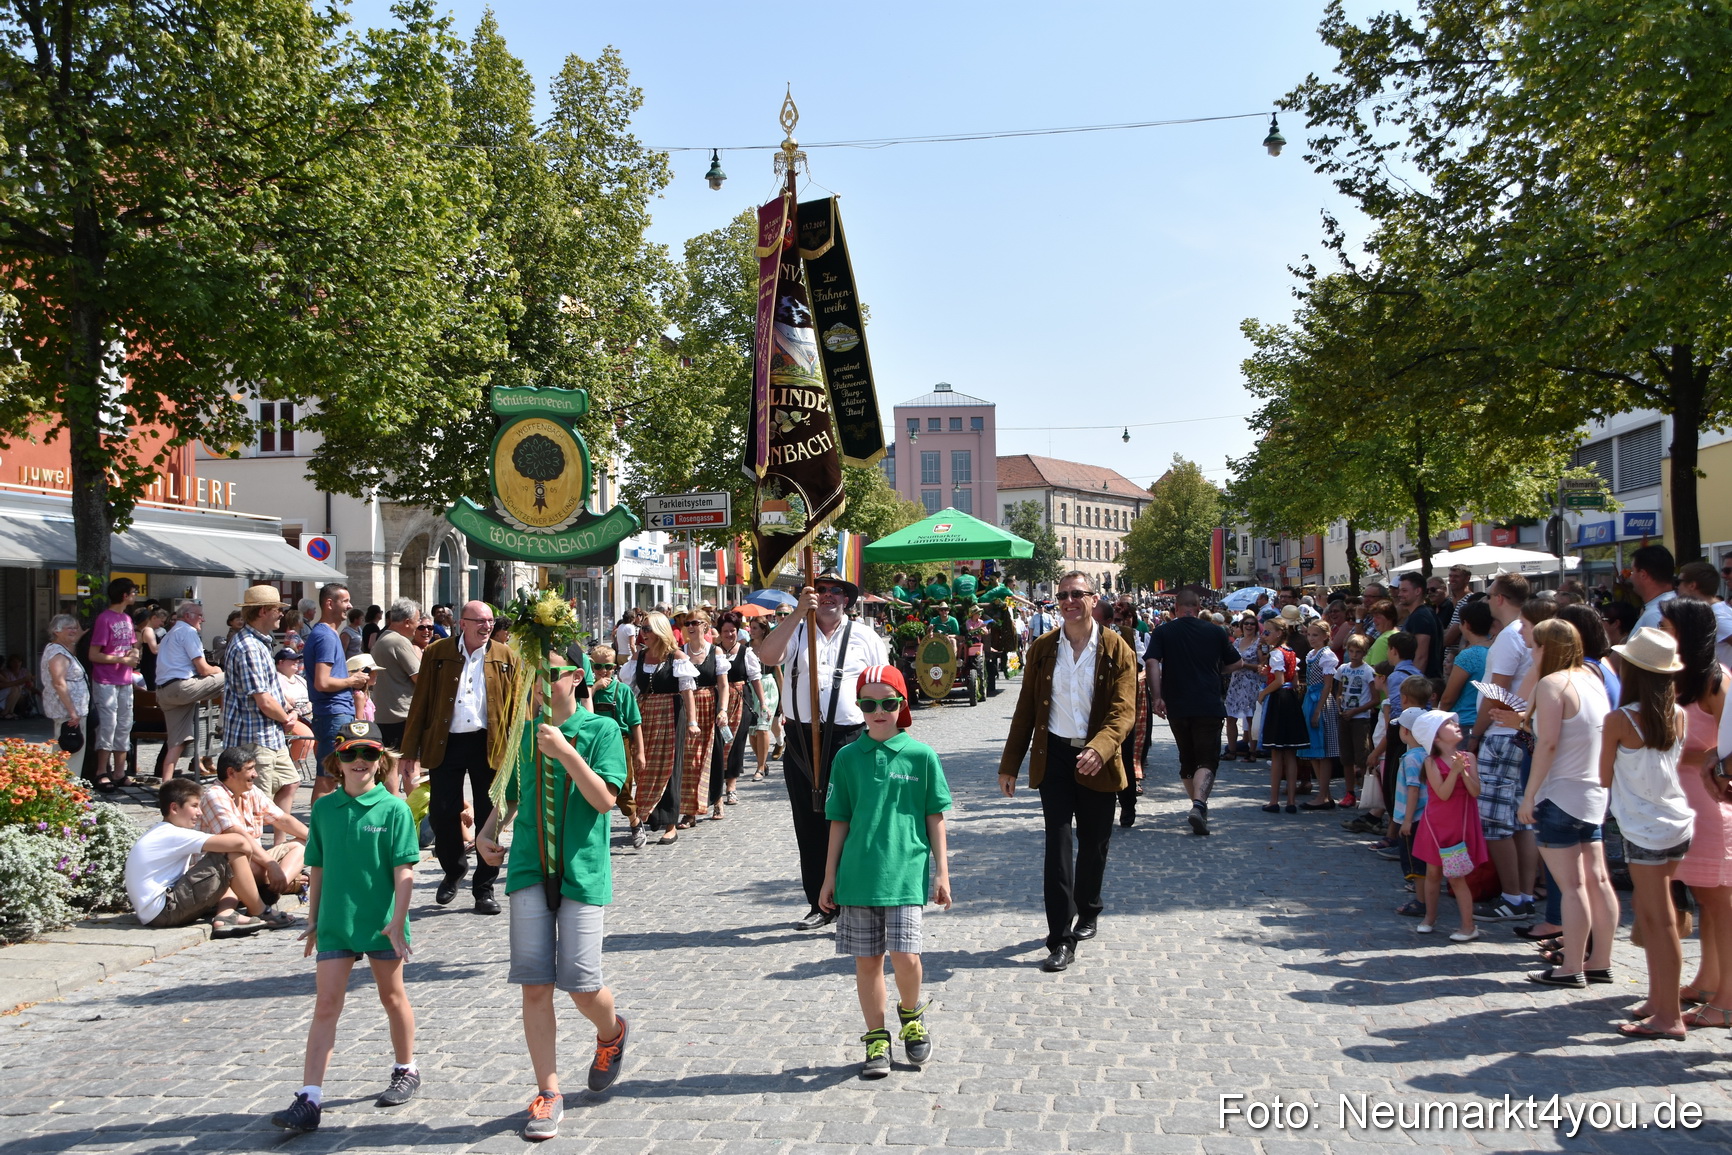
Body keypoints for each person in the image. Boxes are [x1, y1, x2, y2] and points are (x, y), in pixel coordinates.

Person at [475, 662, 632, 1140]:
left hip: (581, 870)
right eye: (537, 674)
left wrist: (565, 752)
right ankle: (548, 1091)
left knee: (581, 986)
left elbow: (605, 799)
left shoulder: (602, 729)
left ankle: (612, 1033)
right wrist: (488, 828)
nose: (545, 682)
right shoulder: (525, 735)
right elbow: (510, 794)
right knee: (536, 985)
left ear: (576, 678)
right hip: (527, 864)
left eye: (556, 672)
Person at [271, 721, 421, 1134]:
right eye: (351, 754)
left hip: (381, 922)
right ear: (337, 761)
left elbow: (404, 870)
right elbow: (316, 866)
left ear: (381, 760)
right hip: (336, 920)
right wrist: (314, 918)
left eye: (369, 754)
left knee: (392, 997)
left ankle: (406, 1068)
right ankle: (309, 1097)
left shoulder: (394, 809)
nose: (360, 762)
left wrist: (398, 921)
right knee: (326, 1005)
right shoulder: (323, 808)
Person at [999, 571, 1137, 972]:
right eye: (1062, 595)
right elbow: (1026, 709)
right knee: (1057, 845)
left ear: (1094, 599)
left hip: (1098, 757)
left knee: (1094, 843)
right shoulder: (1043, 648)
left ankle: (1089, 907)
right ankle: (1060, 938)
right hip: (1055, 757)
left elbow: (1123, 711)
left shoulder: (1117, 648)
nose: (1069, 601)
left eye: (1077, 594)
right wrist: (1010, 764)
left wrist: (1101, 747)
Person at [819, 665, 952, 1079]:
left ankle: (911, 1017)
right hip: (858, 876)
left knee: (906, 956)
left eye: (888, 703)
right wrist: (829, 877)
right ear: (858, 707)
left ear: (902, 705)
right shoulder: (845, 758)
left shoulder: (921, 755)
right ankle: (876, 1037)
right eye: (869, 703)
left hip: (905, 872)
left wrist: (942, 873)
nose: (879, 711)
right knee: (867, 962)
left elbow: (935, 816)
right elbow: (839, 819)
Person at [755, 573, 890, 930]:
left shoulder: (865, 637)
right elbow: (767, 655)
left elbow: (887, 685)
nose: (826, 596)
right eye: (819, 590)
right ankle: (821, 903)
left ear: (847, 600)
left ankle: (856, 901)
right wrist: (798, 613)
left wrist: (889, 739)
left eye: (835, 591)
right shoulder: (796, 630)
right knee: (809, 823)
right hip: (801, 739)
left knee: (853, 822)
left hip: (850, 738)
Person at [1506, 619, 1616, 988]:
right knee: (1597, 880)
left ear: (1546, 648)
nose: (1531, 653)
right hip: (1592, 792)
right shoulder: (1591, 677)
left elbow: (1548, 744)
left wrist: (1530, 794)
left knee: (1572, 886)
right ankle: (1599, 960)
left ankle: (1572, 967)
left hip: (1561, 794)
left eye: (1536, 647)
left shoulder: (1554, 683)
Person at [398, 600, 523, 915]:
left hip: (489, 744)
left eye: (490, 621)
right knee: (442, 812)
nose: (486, 626)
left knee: (488, 815)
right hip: (446, 742)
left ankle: (484, 888)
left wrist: (517, 750)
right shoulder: (438, 653)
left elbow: (516, 708)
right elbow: (421, 701)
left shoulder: (505, 656)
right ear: (462, 623)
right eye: (479, 621)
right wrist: (409, 751)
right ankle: (453, 869)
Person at [1600, 628, 1692, 1038]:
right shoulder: (1679, 713)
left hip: (1643, 828)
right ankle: (1659, 1000)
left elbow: (1602, 777)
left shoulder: (1620, 720)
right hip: (1674, 821)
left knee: (1660, 921)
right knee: (1660, 917)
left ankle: (1669, 1016)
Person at [1667, 598, 1732, 1028]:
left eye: (1668, 627)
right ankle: (1706, 982)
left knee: (1719, 901)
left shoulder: (1717, 680)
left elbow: (1726, 748)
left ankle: (1725, 1002)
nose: (1661, 632)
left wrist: (1700, 756)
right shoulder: (1682, 677)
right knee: (1705, 898)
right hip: (1683, 801)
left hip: (1710, 803)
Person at [1468, 573, 1540, 923]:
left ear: (1499, 598)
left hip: (1502, 732)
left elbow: (1499, 695)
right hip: (1520, 731)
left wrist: (1476, 734)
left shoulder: (1511, 637)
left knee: (1497, 820)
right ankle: (1522, 894)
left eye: (1490, 596)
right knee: (1521, 819)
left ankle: (1514, 895)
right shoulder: (1522, 633)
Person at [1144, 588, 1244, 835]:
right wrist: (1214, 670)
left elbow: (1151, 662)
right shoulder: (1216, 631)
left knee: (1187, 758)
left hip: (1178, 705)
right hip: (1208, 703)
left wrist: (1157, 697)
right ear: (1198, 608)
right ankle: (1199, 805)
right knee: (1208, 759)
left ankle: (1197, 806)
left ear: (1176, 609)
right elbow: (1238, 663)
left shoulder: (1164, 631)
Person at [124, 777, 273, 936]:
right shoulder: (173, 834)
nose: (199, 813)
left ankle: (226, 915)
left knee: (224, 860)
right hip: (165, 911)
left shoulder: (160, 831)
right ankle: (260, 910)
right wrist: (246, 859)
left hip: (156, 912)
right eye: (194, 806)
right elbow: (240, 843)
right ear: (174, 808)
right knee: (230, 852)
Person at [619, 612, 700, 848]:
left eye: (647, 629)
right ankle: (649, 815)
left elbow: (687, 692)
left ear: (659, 631)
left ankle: (670, 824)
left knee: (669, 767)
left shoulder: (676, 657)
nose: (643, 633)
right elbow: (630, 688)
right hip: (645, 714)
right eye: (642, 629)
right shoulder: (639, 657)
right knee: (644, 766)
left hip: (671, 715)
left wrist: (693, 722)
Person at [200, 747, 306, 925]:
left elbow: (283, 820)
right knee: (242, 855)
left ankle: (272, 890)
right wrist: (272, 865)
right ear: (231, 772)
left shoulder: (251, 792)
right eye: (250, 769)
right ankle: (261, 900)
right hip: (223, 869)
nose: (255, 774)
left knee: (304, 844)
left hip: (255, 862)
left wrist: (322, 842)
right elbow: (238, 836)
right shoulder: (214, 795)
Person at [1406, 710, 1485, 941]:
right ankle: (1429, 918)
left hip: (1459, 825)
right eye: (1448, 724)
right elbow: (1442, 793)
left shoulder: (1469, 757)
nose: (1456, 725)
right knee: (1432, 873)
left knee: (1456, 876)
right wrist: (1455, 772)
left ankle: (1468, 926)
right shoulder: (1431, 761)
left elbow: (1475, 791)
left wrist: (1464, 772)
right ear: (1436, 738)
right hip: (1436, 825)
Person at [222, 585, 301, 817]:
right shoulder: (249, 647)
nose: (281, 614)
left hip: (269, 734)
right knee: (255, 804)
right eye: (278, 609)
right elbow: (263, 701)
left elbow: (271, 692)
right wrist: (286, 717)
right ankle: (253, 850)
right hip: (254, 738)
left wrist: (289, 708)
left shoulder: (260, 642)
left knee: (290, 782)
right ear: (263, 611)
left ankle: (278, 843)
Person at [670, 609, 728, 830]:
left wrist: (722, 709)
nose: (690, 626)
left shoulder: (716, 652)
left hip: (709, 705)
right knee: (688, 759)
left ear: (706, 625)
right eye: (687, 623)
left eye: (695, 622)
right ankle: (689, 810)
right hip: (686, 708)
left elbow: (723, 685)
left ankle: (717, 799)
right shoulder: (680, 652)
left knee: (713, 756)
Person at [154, 601, 225, 780]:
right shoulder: (188, 631)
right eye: (199, 615)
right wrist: (218, 670)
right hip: (181, 687)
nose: (203, 619)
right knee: (230, 678)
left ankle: (166, 785)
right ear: (187, 616)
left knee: (176, 744)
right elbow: (203, 669)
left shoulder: (169, 634)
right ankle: (223, 724)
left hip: (164, 692)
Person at [89, 577, 141, 791]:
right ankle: (102, 771)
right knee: (107, 725)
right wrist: (122, 660)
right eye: (133, 592)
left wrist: (135, 652)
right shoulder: (105, 619)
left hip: (124, 679)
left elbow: (131, 646)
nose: (135, 595)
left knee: (124, 724)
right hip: (106, 679)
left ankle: (120, 772)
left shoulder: (127, 619)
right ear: (124, 595)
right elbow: (94, 654)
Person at [711, 611, 763, 816]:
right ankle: (715, 788)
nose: (730, 635)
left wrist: (764, 703)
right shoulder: (712, 651)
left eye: (733, 631)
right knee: (717, 744)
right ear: (720, 632)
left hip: (740, 701)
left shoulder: (745, 652)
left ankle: (731, 787)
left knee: (736, 744)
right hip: (717, 701)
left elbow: (755, 678)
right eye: (726, 631)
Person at [1257, 616, 1307, 813]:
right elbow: (1293, 681)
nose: (1265, 635)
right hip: (1291, 699)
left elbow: (1278, 681)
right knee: (1291, 752)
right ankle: (1291, 801)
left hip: (1279, 700)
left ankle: (1274, 800)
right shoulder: (1290, 652)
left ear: (1278, 633)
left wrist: (1263, 692)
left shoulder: (1277, 654)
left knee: (1277, 752)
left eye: (1268, 632)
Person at [40, 615, 90, 780]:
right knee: (70, 752)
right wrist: (73, 712)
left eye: (75, 627)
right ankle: (67, 791)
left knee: (69, 752)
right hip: (68, 713)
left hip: (72, 710)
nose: (74, 630)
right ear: (56, 631)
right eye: (69, 627)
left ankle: (66, 789)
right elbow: (59, 683)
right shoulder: (57, 652)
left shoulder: (63, 649)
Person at [1298, 620, 1341, 809]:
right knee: (1314, 750)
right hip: (1310, 699)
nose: (1311, 639)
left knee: (1323, 751)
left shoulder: (1327, 656)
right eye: (1309, 635)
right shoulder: (1311, 655)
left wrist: (1317, 710)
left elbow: (1327, 685)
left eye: (1315, 635)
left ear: (1325, 636)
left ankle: (1323, 794)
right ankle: (1324, 793)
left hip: (1320, 702)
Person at [372, 599, 423, 752]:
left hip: (386, 715)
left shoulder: (383, 638)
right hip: (402, 715)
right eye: (417, 620)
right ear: (407, 622)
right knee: (410, 765)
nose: (418, 625)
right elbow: (420, 678)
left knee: (392, 766)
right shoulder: (399, 641)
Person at [1224, 618, 1263, 765]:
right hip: (1236, 681)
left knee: (1250, 717)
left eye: (1252, 624)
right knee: (1230, 716)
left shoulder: (1259, 642)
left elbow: (1262, 666)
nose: (1249, 626)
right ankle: (1232, 751)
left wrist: (1244, 664)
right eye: (1246, 623)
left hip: (1251, 681)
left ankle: (1253, 752)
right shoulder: (1237, 642)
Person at [1396, 572, 1444, 680]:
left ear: (1418, 591)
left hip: (1423, 683)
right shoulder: (1424, 613)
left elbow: (1421, 657)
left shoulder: (1420, 616)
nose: (1399, 594)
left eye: (1404, 591)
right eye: (1399, 590)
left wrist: (1413, 686)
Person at [1631, 544, 1678, 630]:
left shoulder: (1656, 614)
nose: (1631, 577)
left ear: (1643, 574)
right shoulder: (1674, 604)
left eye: (1632, 572)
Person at [131, 603, 168, 691]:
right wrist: (167, 640)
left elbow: (136, 647)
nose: (162, 624)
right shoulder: (148, 630)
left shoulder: (145, 630)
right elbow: (154, 650)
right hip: (151, 666)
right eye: (161, 621)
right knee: (152, 690)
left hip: (149, 665)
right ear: (154, 618)